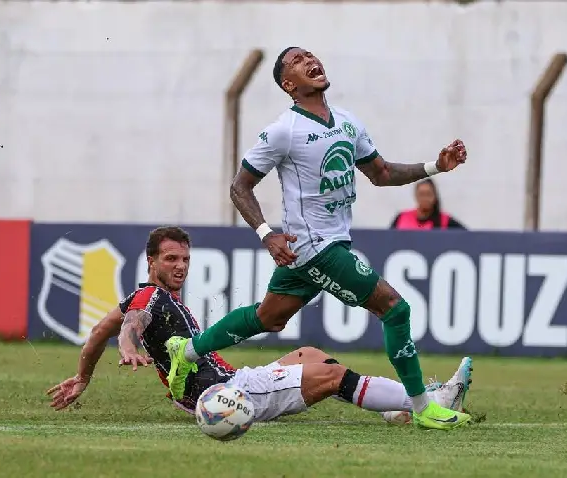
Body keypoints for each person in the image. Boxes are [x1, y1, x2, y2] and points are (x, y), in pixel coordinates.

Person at [162, 47, 471, 430]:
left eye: (310, 55)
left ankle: (186, 351)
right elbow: (240, 188)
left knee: (268, 317)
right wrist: (266, 234)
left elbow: (382, 172)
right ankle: (424, 407)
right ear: (289, 84)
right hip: (314, 247)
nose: (310, 60)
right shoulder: (282, 131)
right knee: (395, 308)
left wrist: (435, 166)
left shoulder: (347, 123)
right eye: (296, 60)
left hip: (323, 245)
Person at [46, 227, 474, 425]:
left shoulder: (158, 297)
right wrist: (128, 342)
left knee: (308, 354)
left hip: (226, 379)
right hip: (221, 395)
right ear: (151, 262)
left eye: (185, 259)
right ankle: (430, 400)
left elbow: (101, 326)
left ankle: (396, 409)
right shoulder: (150, 297)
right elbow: (128, 324)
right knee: (332, 375)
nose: (180, 267)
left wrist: (84, 376)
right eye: (170, 259)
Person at [390, 178, 466, 230]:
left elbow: (467, 236)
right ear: (416, 195)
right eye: (422, 194)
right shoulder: (401, 218)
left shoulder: (445, 221)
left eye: (428, 194)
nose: (425, 198)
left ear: (435, 196)